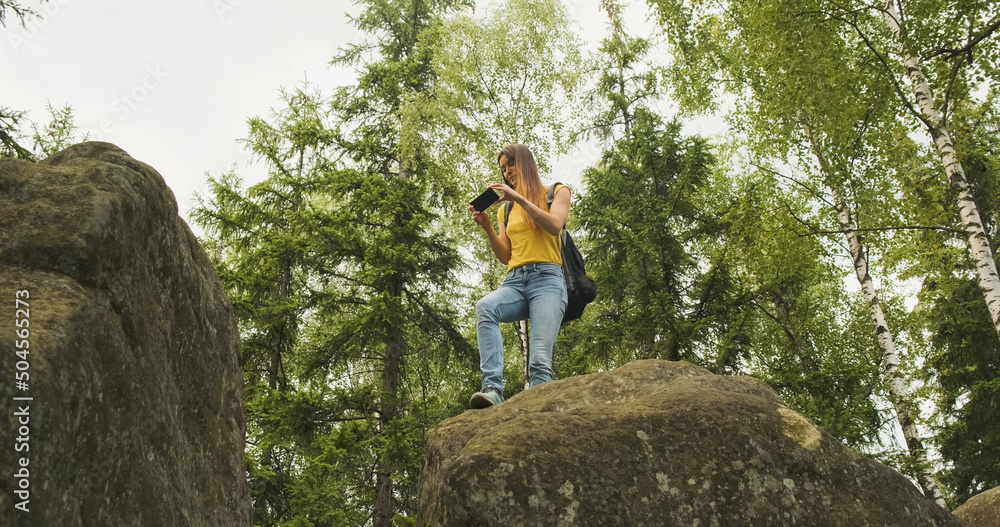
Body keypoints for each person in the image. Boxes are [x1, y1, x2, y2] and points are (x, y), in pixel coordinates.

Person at [468, 144, 571, 409]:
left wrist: (520, 198)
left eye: (509, 165)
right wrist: (489, 227)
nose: (506, 172)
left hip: (547, 280)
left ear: (523, 163)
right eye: (502, 169)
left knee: (538, 359)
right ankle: (492, 388)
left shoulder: (556, 192)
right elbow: (506, 256)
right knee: (485, 307)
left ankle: (538, 412)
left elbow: (554, 225)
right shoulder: (505, 210)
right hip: (515, 280)